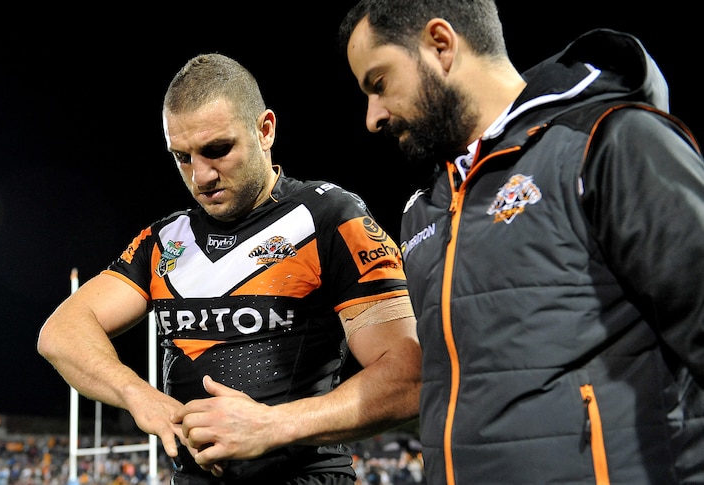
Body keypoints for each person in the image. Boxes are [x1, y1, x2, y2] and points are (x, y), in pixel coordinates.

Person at [338, 1, 704, 483]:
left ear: (441, 45)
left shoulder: (606, 141)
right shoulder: (423, 211)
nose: (373, 116)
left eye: (379, 83)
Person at [37, 52, 422, 484]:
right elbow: (61, 332)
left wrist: (271, 426)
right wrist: (137, 394)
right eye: (181, 156)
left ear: (266, 130)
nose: (200, 176)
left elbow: (407, 377)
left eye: (216, 149)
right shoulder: (165, 239)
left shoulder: (331, 217)